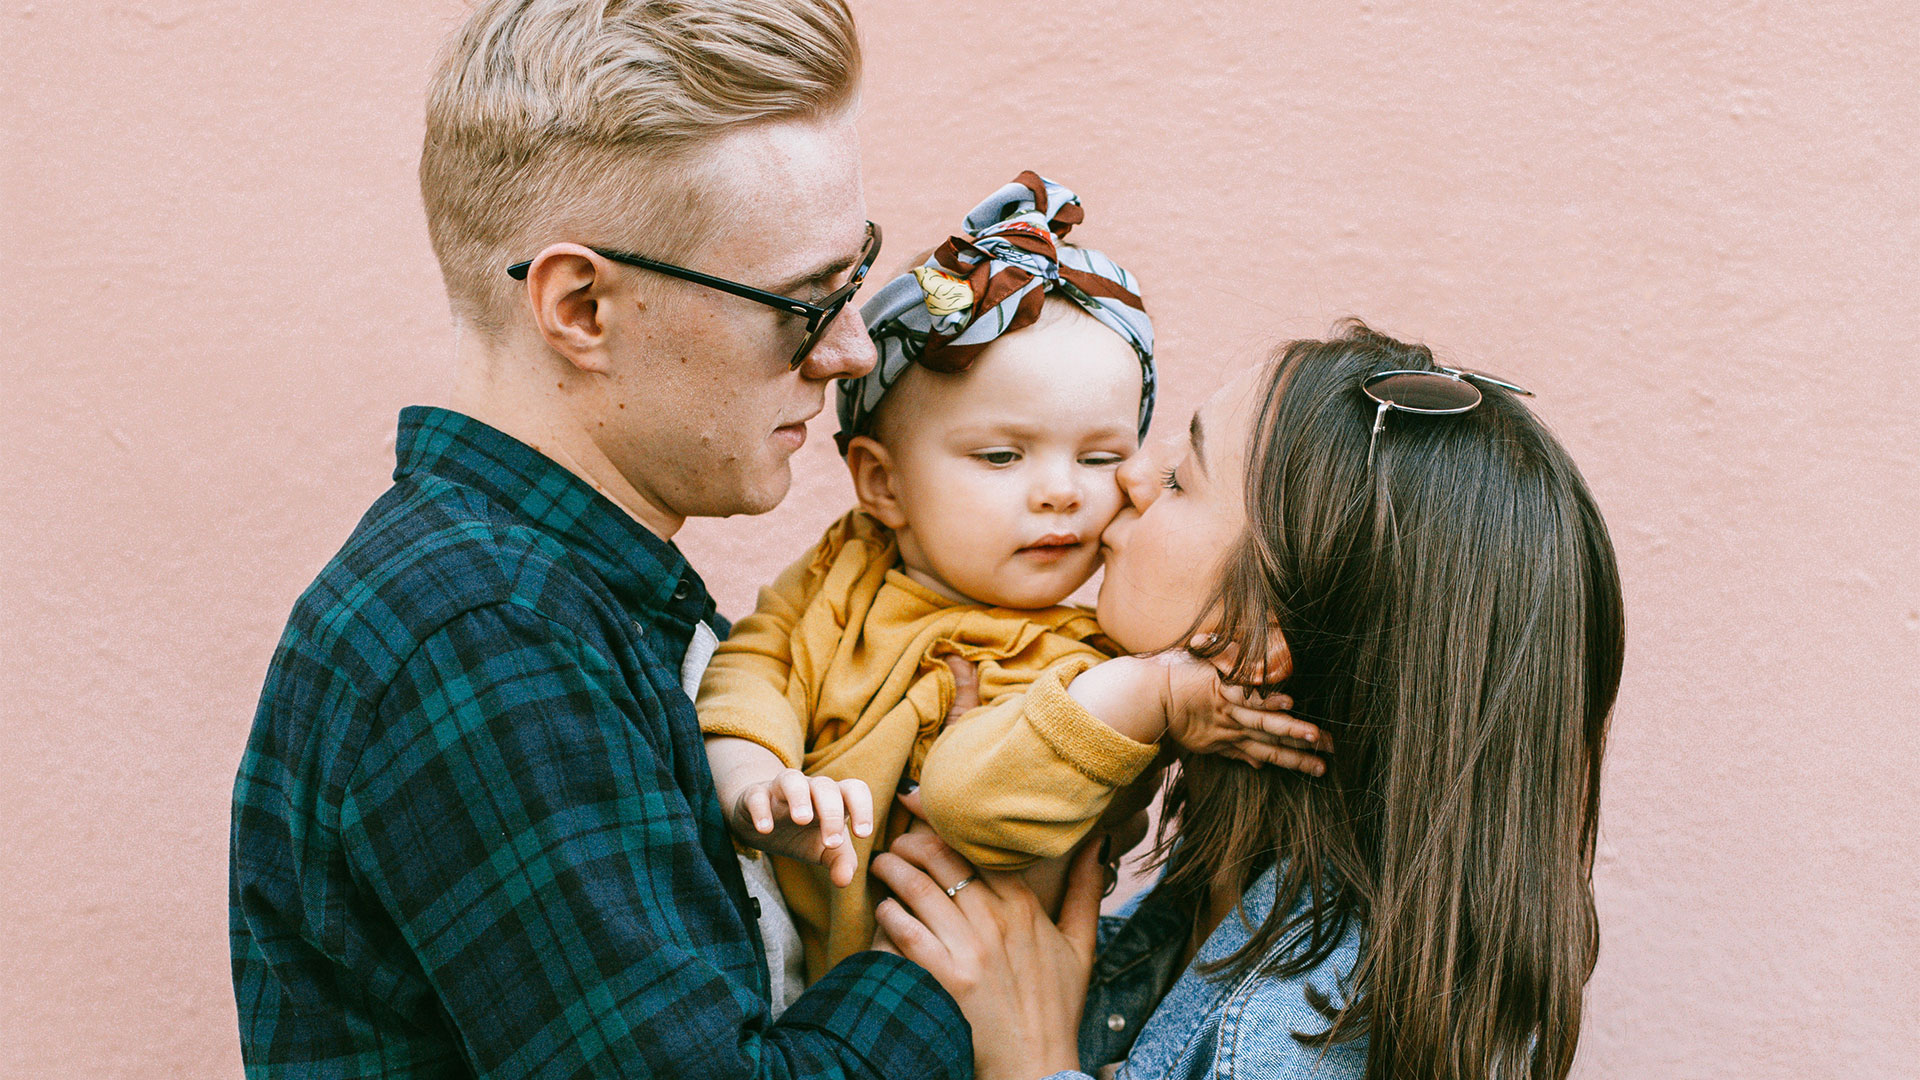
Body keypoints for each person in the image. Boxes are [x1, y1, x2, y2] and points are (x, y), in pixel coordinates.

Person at [227, 2, 1098, 1077]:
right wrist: (971, 910)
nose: (852, 349)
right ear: (582, 307)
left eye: (856, 271)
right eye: (802, 301)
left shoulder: (577, 599)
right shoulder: (487, 636)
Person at [873, 322, 1627, 1080]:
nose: (1129, 476)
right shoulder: (1207, 913)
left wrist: (1033, 1066)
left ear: (1261, 637)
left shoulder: (1303, 1030)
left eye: (1178, 481)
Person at [694, 173, 1328, 997]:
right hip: (792, 989)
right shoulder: (840, 570)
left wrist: (1152, 697)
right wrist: (752, 780)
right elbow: (750, 670)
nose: (1061, 491)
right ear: (882, 485)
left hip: (958, 1018)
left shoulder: (1098, 669)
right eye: (1002, 456)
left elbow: (970, 803)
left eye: (1101, 457)